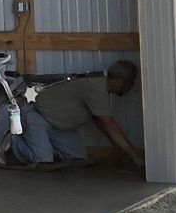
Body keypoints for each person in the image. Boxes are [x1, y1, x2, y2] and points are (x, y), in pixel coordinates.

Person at [10, 60, 145, 171]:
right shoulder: (97, 88)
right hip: (36, 114)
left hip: (55, 123)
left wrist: (121, 151)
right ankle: (13, 140)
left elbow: (101, 123)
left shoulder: (99, 83)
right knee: (42, 161)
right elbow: (108, 124)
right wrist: (134, 155)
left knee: (78, 158)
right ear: (120, 81)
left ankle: (41, 146)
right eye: (129, 83)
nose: (130, 87)